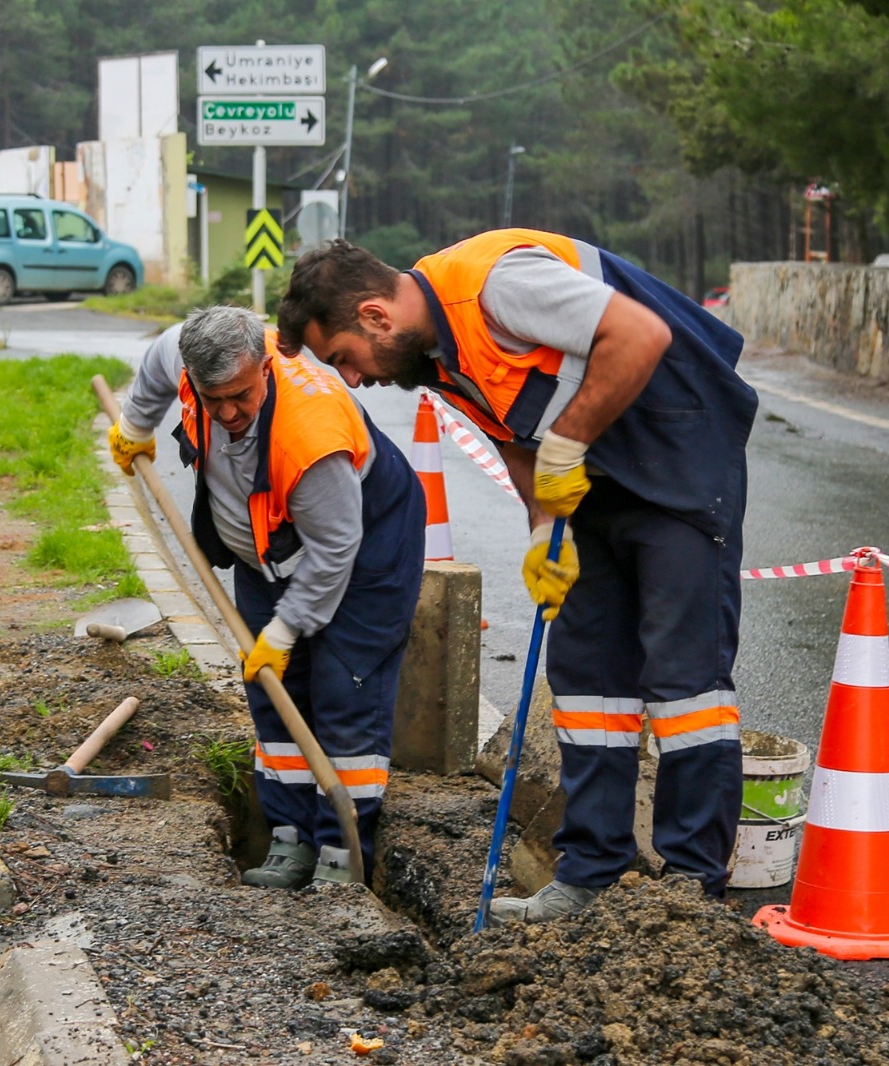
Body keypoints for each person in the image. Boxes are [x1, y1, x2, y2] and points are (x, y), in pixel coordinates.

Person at [276, 230, 759, 923]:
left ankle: (688, 899)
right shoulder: (431, 356)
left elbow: (639, 334)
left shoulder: (497, 286)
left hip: (678, 448)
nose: (353, 379)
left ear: (376, 317)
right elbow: (512, 433)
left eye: (345, 359)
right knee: (588, 676)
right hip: (596, 473)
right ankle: (589, 876)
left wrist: (566, 443)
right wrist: (541, 532)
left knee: (685, 688)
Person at [107, 307, 426, 888]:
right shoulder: (188, 354)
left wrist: (284, 631)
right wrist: (135, 425)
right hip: (266, 553)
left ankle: (342, 854)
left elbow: (335, 550)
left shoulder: (312, 433)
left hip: (363, 554)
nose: (227, 412)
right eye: (212, 398)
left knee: (343, 695)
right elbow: (157, 364)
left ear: (264, 367)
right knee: (275, 699)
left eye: (241, 396)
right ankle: (290, 840)